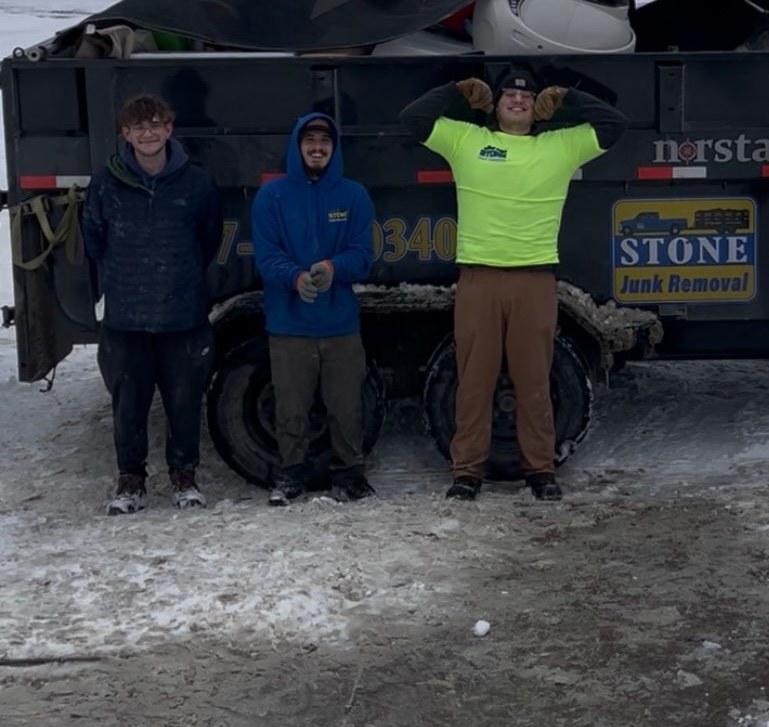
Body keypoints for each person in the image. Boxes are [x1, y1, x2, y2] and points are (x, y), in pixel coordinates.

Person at [400, 67, 627, 502]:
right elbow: (413, 119)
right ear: (496, 104)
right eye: (509, 95)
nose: (518, 101)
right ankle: (466, 472)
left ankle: (539, 471)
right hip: (478, 279)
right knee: (474, 380)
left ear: (537, 106)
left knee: (533, 380)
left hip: (534, 278)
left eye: (527, 96)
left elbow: (614, 126)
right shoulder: (467, 140)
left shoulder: (560, 146)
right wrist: (456, 92)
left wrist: (569, 98)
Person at [81, 94, 222, 515]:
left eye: (156, 124)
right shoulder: (105, 182)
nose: (148, 133)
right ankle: (131, 481)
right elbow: (94, 239)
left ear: (169, 129)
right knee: (129, 403)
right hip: (126, 317)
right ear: (125, 134)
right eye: (139, 127)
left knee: (183, 401)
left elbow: (208, 239)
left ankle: (184, 478)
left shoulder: (196, 183)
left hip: (183, 316)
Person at [251, 114, 376, 505]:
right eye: (310, 140)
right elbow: (266, 256)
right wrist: (294, 278)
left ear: (334, 148)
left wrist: (330, 268)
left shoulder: (354, 195)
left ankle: (350, 475)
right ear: (297, 146)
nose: (317, 147)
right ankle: (291, 475)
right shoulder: (270, 197)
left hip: (339, 324)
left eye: (325, 140)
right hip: (289, 325)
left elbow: (363, 255)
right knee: (290, 409)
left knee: (346, 407)